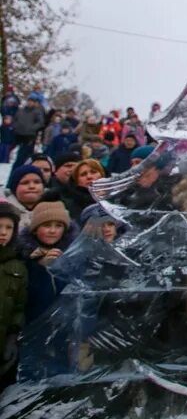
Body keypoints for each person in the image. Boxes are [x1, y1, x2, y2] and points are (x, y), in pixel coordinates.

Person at [19, 201, 77, 325]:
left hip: (63, 325)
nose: (52, 230)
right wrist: (40, 267)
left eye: (58, 226)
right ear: (35, 229)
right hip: (31, 323)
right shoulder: (23, 255)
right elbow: (26, 294)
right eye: (46, 225)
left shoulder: (72, 255)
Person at [0, 201, 27, 393]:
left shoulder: (18, 266)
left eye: (9, 227)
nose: (3, 232)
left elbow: (19, 306)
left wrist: (12, 336)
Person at [11, 92, 45, 169]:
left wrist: (32, 128)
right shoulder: (20, 110)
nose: (30, 103)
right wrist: (15, 126)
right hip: (18, 134)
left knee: (26, 155)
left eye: (32, 101)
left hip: (29, 136)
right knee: (18, 154)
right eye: (29, 101)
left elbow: (40, 122)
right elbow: (14, 119)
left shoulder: (37, 112)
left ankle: (24, 168)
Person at [5, 165, 45, 231]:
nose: (32, 186)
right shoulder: (5, 211)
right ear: (14, 188)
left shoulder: (54, 209)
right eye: (25, 183)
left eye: (37, 182)